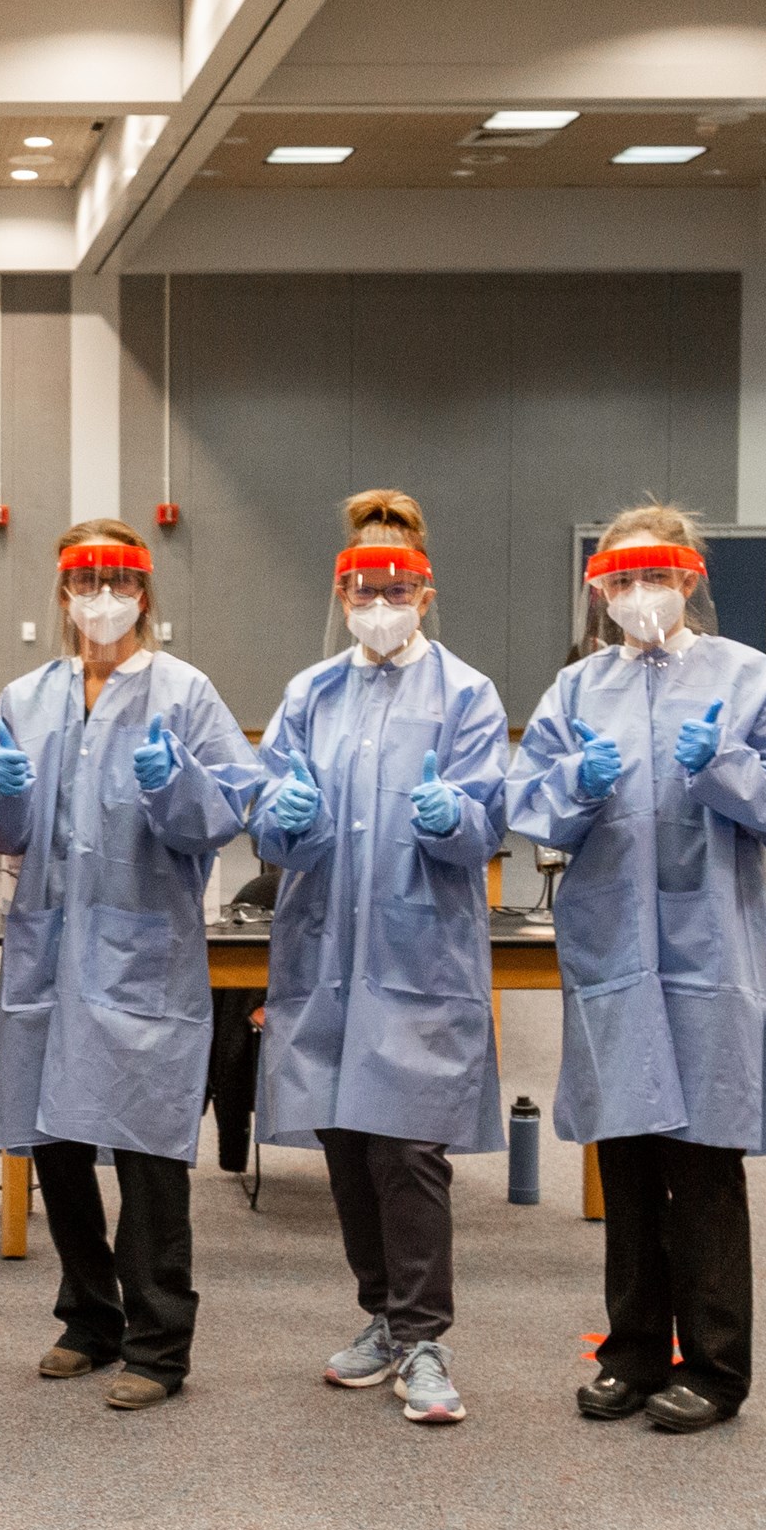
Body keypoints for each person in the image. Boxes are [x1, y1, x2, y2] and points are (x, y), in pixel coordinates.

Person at [506, 503, 766, 1436]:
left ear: (689, 581)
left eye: (654, 578)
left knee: (701, 1162)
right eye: (620, 582)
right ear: (600, 590)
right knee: (625, 1151)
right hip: (613, 949)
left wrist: (726, 765)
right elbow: (533, 805)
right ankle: (633, 1351)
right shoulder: (577, 691)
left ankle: (717, 1365)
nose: (638, 596)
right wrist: (577, 784)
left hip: (706, 956)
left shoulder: (746, 678)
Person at [0, 521, 260, 1408]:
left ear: (144, 592)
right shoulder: (27, 695)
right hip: (48, 952)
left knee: (145, 1147)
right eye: (84, 580)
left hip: (144, 954)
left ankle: (159, 1340)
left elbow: (222, 815)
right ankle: (88, 1316)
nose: (101, 596)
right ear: (61, 594)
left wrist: (176, 784)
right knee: (53, 1138)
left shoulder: (185, 692)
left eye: (118, 579)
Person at [249, 490, 507, 1429]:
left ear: (426, 592)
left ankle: (426, 1333)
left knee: (408, 1144)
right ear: (343, 589)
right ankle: (382, 1319)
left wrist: (456, 821)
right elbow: (274, 815)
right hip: (326, 949)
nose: (380, 598)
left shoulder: (466, 694)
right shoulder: (309, 693)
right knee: (346, 1136)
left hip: (415, 951)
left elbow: (484, 825)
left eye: (397, 584)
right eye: (364, 583)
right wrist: (280, 821)